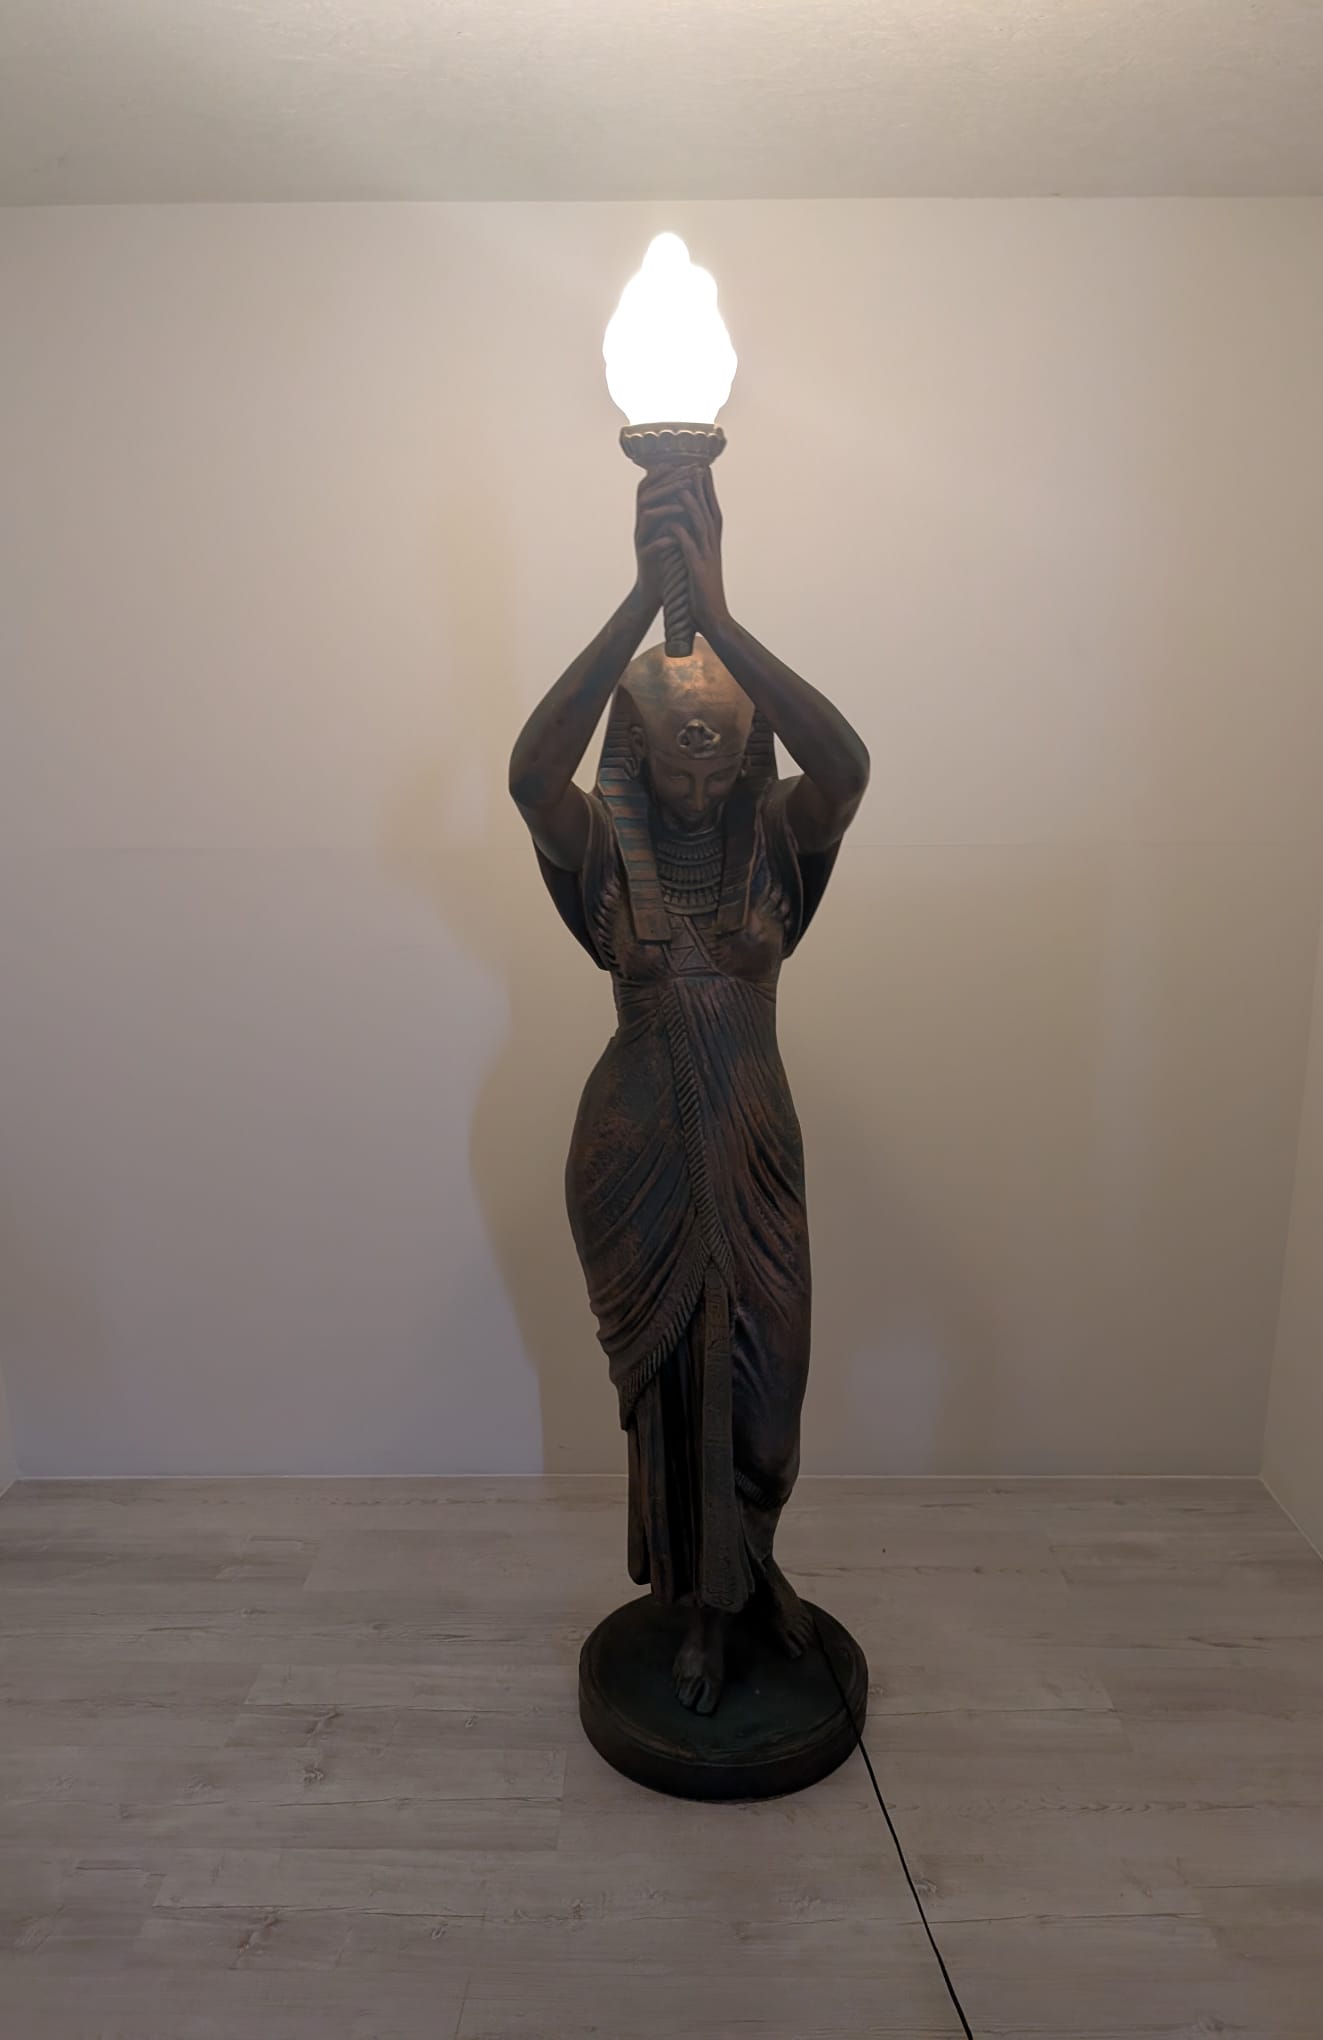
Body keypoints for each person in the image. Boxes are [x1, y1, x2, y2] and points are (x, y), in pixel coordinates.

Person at [509, 464, 869, 1713]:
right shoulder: (606, 852)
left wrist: (716, 615)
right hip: (638, 1149)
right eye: (678, 767)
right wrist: (635, 605)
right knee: (674, 1397)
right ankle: (706, 1617)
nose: (703, 790)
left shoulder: (777, 837)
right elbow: (529, 776)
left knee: (766, 1406)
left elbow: (850, 764)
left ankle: (752, 1568)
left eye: (723, 766)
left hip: (757, 1145)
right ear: (638, 757)